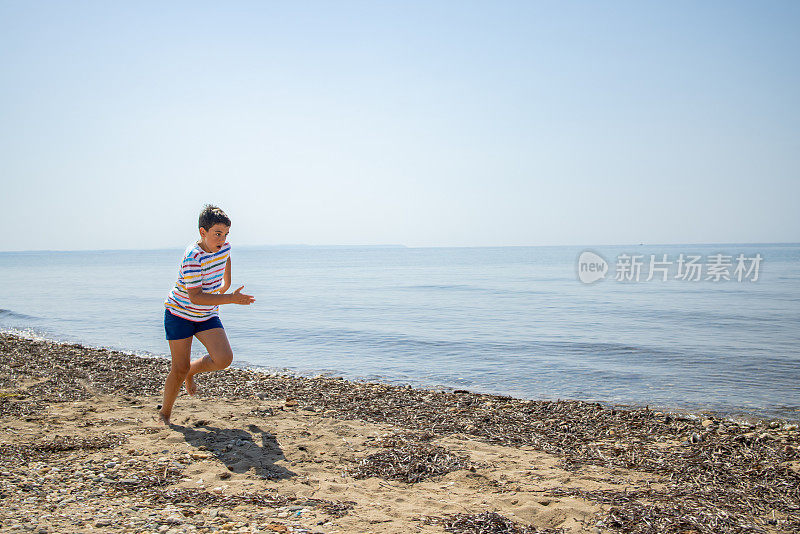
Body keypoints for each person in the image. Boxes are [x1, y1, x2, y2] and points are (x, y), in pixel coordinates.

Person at [157, 204, 255, 425]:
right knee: (178, 368)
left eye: (226, 234)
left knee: (224, 359)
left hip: (206, 315)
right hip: (180, 314)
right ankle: (165, 413)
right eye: (217, 234)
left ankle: (191, 372)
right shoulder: (193, 256)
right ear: (203, 232)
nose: (222, 239)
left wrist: (226, 283)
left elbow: (226, 257)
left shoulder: (223, 247)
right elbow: (196, 297)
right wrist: (230, 298)